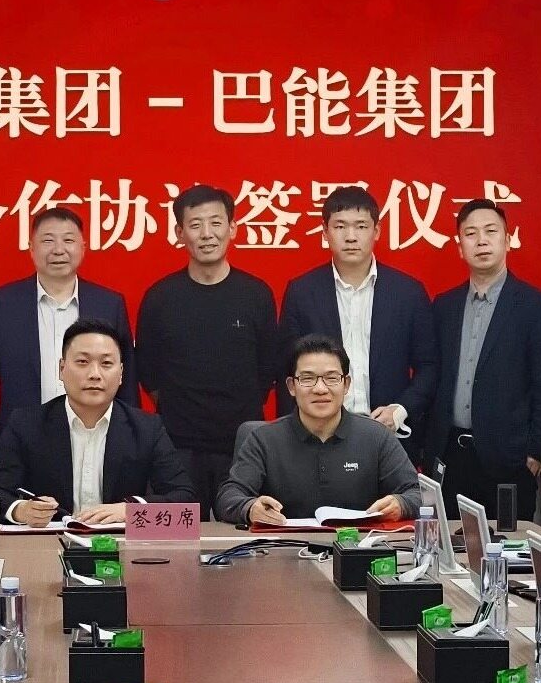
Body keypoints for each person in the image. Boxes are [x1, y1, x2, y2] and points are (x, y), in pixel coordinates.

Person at [0, 208, 138, 485]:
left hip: (96, 441)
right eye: (48, 240)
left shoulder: (109, 303)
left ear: (82, 247)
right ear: (31, 248)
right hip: (20, 444)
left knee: (95, 512)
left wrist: (131, 443)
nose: (59, 250)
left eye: (68, 240)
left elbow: (125, 380)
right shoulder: (2, 304)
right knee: (24, 511)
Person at [136, 185, 278, 520]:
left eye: (216, 223)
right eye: (195, 225)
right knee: (172, 535)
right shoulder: (160, 297)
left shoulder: (256, 294)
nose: (207, 234)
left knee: (246, 533)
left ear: (232, 228)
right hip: (177, 448)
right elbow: (149, 373)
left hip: (242, 446)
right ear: (179, 233)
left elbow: (267, 369)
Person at [0, 318, 195, 526]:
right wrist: (21, 510)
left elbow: (185, 499)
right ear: (62, 369)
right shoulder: (26, 425)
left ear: (121, 374)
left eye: (106, 363)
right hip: (50, 544)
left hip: (119, 545)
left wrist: (130, 510)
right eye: (82, 362)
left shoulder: (147, 428)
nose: (94, 374)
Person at [426, 199, 541, 521]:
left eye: (491, 231)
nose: (482, 241)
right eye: (471, 234)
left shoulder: (536, 307)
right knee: (451, 546)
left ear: (508, 240)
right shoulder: (443, 307)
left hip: (511, 461)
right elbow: (432, 378)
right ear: (460, 247)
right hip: (450, 456)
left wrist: (535, 453)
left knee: (508, 546)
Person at [277, 186, 437, 451]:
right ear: (325, 232)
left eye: (361, 226)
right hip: (318, 436)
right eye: (340, 226)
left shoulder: (408, 292)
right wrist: (293, 438)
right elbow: (287, 368)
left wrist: (400, 410)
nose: (350, 236)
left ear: (377, 231)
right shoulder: (302, 292)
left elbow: (428, 366)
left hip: (388, 435)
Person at [215, 334, 421, 526]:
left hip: (358, 547)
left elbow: (416, 493)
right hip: (285, 548)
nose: (320, 389)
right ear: (291, 386)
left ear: (346, 384)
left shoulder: (377, 436)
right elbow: (228, 496)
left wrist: (401, 504)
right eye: (307, 378)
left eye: (331, 378)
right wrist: (250, 508)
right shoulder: (263, 439)